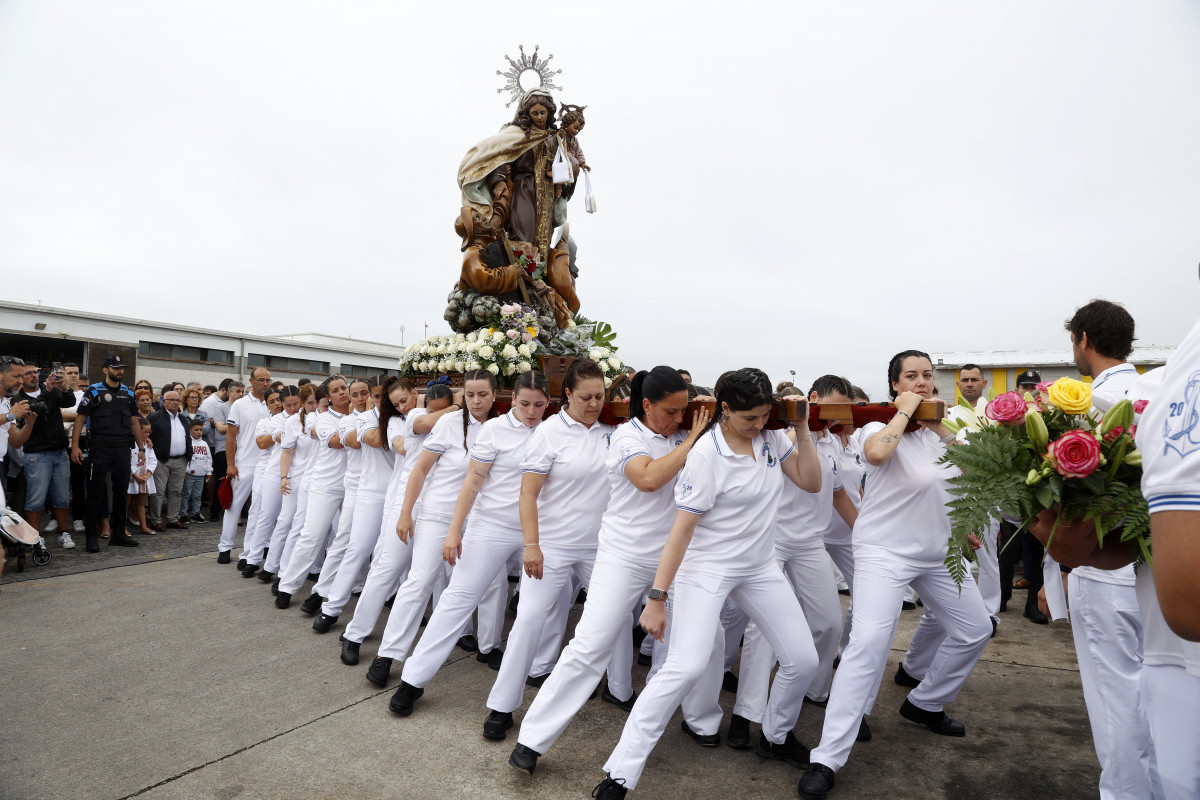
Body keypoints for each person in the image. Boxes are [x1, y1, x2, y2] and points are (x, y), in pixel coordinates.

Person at [592, 367, 824, 799]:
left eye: (763, 416)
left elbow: (811, 483)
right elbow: (680, 531)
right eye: (748, 418)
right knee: (686, 664)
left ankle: (776, 735)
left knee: (803, 660)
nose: (757, 426)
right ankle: (620, 773)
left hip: (757, 567)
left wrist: (802, 428)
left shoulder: (773, 440)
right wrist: (657, 598)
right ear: (725, 409)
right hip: (706, 568)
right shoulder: (705, 455)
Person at [798, 351, 992, 800]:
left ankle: (924, 703)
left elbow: (977, 472)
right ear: (894, 384)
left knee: (975, 628)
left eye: (927, 376)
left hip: (937, 552)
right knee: (867, 644)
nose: (922, 382)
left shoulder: (944, 434)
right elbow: (878, 455)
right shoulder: (877, 424)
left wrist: (940, 426)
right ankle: (827, 757)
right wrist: (905, 411)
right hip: (884, 552)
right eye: (911, 376)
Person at [509, 366, 712, 774]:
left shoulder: (684, 430)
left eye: (683, 411)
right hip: (624, 555)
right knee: (589, 645)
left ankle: (699, 720)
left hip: (679, 558)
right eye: (670, 411)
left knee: (701, 641)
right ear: (647, 404)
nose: (677, 418)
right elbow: (649, 478)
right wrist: (692, 438)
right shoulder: (626, 436)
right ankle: (533, 739)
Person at [392, 371, 560, 707]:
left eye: (539, 405)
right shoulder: (495, 430)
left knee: (547, 602)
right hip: (492, 525)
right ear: (512, 400)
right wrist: (455, 531)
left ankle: (536, 667)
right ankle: (413, 679)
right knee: (458, 598)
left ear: (549, 404)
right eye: (524, 403)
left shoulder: (554, 431)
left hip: (540, 530)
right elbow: (471, 483)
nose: (531, 411)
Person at [1052, 298, 1157, 800]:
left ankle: (1126, 793)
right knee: (1158, 693)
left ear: (1084, 341)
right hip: (1160, 568)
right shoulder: (1157, 392)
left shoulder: (1082, 404)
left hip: (1102, 565)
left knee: (1116, 700)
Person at [729, 376, 861, 748]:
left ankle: (806, 694)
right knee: (762, 632)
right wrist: (797, 420)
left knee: (827, 623)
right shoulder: (781, 435)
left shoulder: (832, 442)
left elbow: (838, 497)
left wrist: (866, 536)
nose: (834, 418)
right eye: (829, 408)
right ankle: (746, 713)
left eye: (841, 412)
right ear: (813, 400)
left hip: (809, 542)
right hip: (771, 541)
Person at [375, 369, 498, 699]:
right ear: (463, 396)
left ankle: (488, 645)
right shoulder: (448, 424)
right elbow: (420, 470)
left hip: (480, 518)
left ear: (494, 394)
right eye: (470, 394)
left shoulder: (501, 428)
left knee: (493, 581)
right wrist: (405, 513)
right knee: (421, 579)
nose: (476, 401)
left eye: (483, 394)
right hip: (438, 514)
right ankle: (388, 653)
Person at [350, 382, 458, 680]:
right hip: (405, 503)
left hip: (436, 505)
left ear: (415, 393)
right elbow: (419, 427)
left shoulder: (452, 420)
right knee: (387, 567)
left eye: (403, 400)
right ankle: (355, 634)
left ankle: (391, 652)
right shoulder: (407, 419)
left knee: (421, 579)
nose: (401, 406)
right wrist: (457, 407)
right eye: (395, 403)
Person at [317, 378, 409, 638]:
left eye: (383, 396)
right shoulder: (358, 419)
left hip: (399, 495)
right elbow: (374, 440)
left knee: (389, 555)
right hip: (370, 493)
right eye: (376, 397)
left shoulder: (407, 416)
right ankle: (332, 607)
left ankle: (390, 598)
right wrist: (391, 417)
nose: (381, 401)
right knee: (357, 549)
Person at [274, 376, 351, 608]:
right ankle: (287, 585)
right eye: (335, 391)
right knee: (311, 535)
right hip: (326, 483)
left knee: (345, 539)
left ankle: (322, 591)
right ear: (327, 396)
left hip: (356, 485)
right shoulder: (321, 419)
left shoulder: (363, 416)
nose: (342, 394)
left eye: (344, 389)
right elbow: (337, 442)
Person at [300, 378, 373, 613]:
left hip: (385, 488)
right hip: (355, 487)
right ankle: (321, 592)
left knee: (379, 548)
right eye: (355, 394)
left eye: (366, 393)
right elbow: (352, 441)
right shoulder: (348, 421)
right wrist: (370, 422)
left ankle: (385, 592)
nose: (360, 398)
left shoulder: (385, 418)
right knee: (343, 540)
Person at [71, 355, 142, 551]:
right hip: (100, 447)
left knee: (121, 492)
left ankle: (118, 534)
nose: (120, 371)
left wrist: (141, 447)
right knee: (95, 493)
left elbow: (134, 421)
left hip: (122, 448)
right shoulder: (94, 391)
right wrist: (75, 446)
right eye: (115, 368)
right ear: (105, 370)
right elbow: (80, 419)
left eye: (121, 368)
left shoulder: (128, 393)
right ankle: (91, 537)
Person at [14, 363, 78, 546]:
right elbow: (35, 409)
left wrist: (64, 387)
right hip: (36, 454)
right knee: (35, 499)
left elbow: (70, 403)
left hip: (59, 451)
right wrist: (49, 391)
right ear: (21, 378)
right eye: (29, 373)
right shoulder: (18, 398)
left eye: (36, 372)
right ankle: (35, 538)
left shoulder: (50, 389)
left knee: (62, 497)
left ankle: (64, 533)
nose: (34, 376)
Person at [261, 383, 317, 587]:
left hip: (319, 480)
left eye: (314, 402)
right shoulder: (292, 422)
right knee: (286, 522)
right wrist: (284, 477)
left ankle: (313, 568)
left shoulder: (324, 419)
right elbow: (287, 452)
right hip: (296, 478)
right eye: (309, 402)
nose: (294, 408)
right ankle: (275, 568)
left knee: (313, 527)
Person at [217, 368, 271, 564]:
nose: (265, 384)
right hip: (244, 464)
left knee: (261, 509)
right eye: (261, 380)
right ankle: (225, 547)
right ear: (252, 381)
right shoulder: (239, 405)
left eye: (268, 380)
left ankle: (255, 549)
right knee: (233, 507)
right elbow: (231, 437)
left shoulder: (273, 405)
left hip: (267, 466)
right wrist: (231, 464)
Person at [239, 386, 291, 577]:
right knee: (261, 515)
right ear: (267, 405)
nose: (278, 404)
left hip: (292, 472)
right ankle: (251, 557)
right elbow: (262, 443)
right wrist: (285, 431)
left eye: (280, 400)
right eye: (273, 401)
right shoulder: (268, 422)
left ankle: (275, 559)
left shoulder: (297, 417)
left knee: (286, 520)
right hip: (267, 471)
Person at [147, 390, 192, 531]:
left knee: (176, 491)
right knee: (158, 492)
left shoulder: (184, 418)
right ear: (163, 401)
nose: (174, 402)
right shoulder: (154, 417)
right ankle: (156, 520)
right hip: (162, 460)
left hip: (180, 460)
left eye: (177, 400)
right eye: (171, 399)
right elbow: (148, 437)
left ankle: (173, 519)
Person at [200, 379, 240, 521]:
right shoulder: (221, 408)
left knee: (239, 481)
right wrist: (239, 427)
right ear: (229, 392)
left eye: (243, 392)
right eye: (238, 391)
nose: (241, 394)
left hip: (240, 450)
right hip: (223, 449)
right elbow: (221, 428)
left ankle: (239, 510)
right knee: (222, 480)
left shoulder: (242, 408)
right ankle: (215, 509)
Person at [126, 418, 156, 534]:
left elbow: (153, 460)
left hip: (144, 477)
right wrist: (135, 474)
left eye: (149, 432)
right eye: (144, 432)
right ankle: (123, 528)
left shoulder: (147, 444)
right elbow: (127, 460)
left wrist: (148, 474)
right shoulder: (130, 443)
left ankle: (143, 526)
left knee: (141, 503)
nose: (147, 434)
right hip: (132, 478)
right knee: (126, 503)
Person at [183, 417, 213, 523]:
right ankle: (183, 514)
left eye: (201, 430)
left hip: (201, 474)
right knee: (186, 495)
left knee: (198, 496)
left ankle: (196, 513)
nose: (199, 432)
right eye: (196, 430)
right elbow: (184, 458)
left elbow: (208, 458)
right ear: (190, 430)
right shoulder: (187, 442)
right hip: (189, 473)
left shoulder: (204, 444)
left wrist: (208, 471)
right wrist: (184, 471)